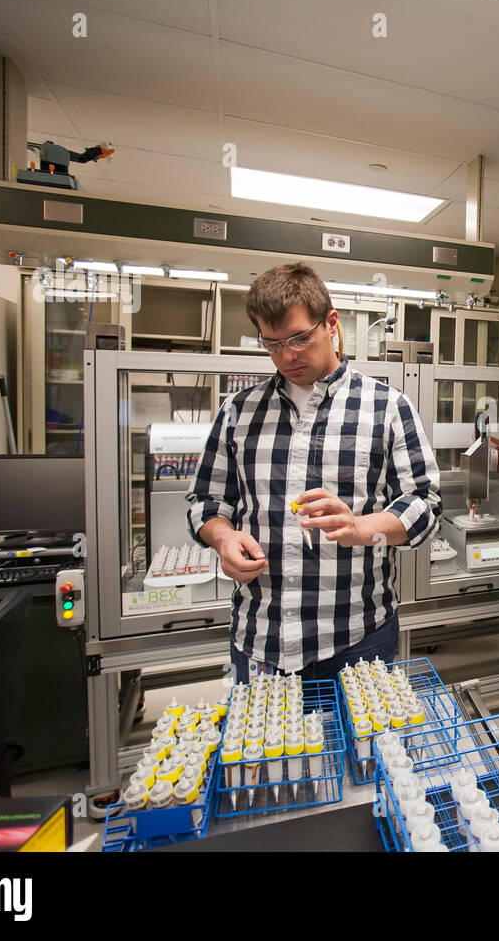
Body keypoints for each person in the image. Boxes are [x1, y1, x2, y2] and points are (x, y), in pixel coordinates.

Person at [187, 262, 442, 682]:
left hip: (356, 638)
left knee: (358, 750)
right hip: (260, 636)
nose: (287, 355)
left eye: (300, 338)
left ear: (331, 324)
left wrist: (361, 527)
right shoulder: (238, 411)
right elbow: (206, 502)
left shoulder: (386, 407)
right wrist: (223, 537)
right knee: (265, 751)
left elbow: (427, 505)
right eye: (272, 344)